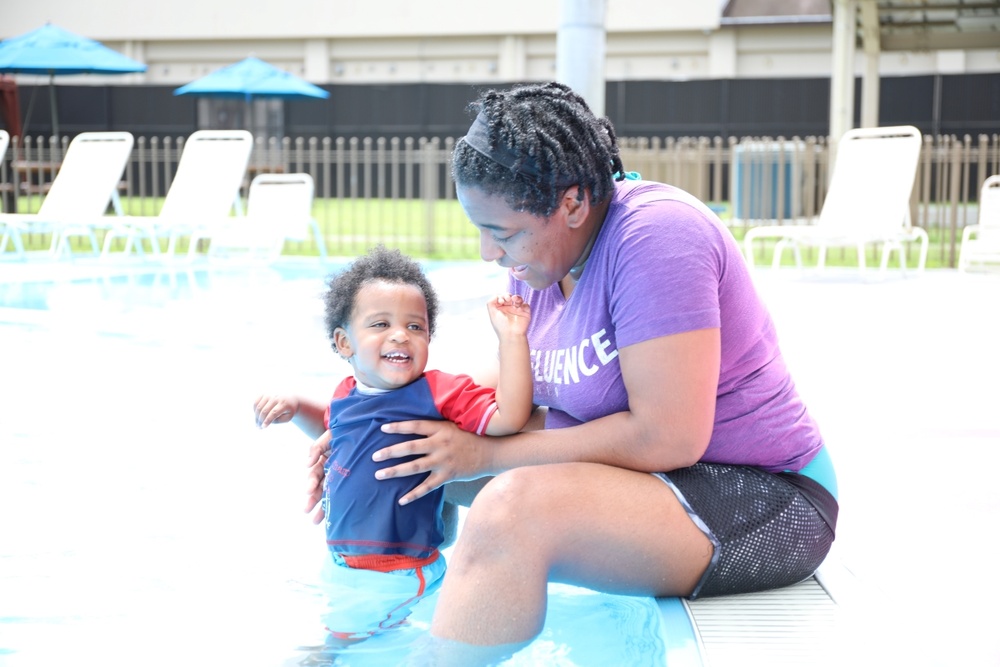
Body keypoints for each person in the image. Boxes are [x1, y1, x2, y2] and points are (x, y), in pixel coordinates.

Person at [304, 82, 840, 656]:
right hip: (661, 484)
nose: (489, 252)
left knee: (509, 512)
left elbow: (669, 437)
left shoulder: (656, 238)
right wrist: (368, 424)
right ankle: (370, 633)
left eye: (502, 233)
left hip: (763, 500)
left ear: (574, 203)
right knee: (418, 455)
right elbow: (506, 387)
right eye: (480, 229)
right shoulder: (541, 256)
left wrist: (488, 457)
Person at [254, 244, 533, 643]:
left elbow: (509, 418)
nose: (400, 334)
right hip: (349, 564)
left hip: (401, 573)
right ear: (344, 342)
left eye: (415, 327)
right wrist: (296, 407)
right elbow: (334, 430)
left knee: (332, 653)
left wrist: (512, 339)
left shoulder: (436, 393)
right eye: (380, 324)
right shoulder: (348, 392)